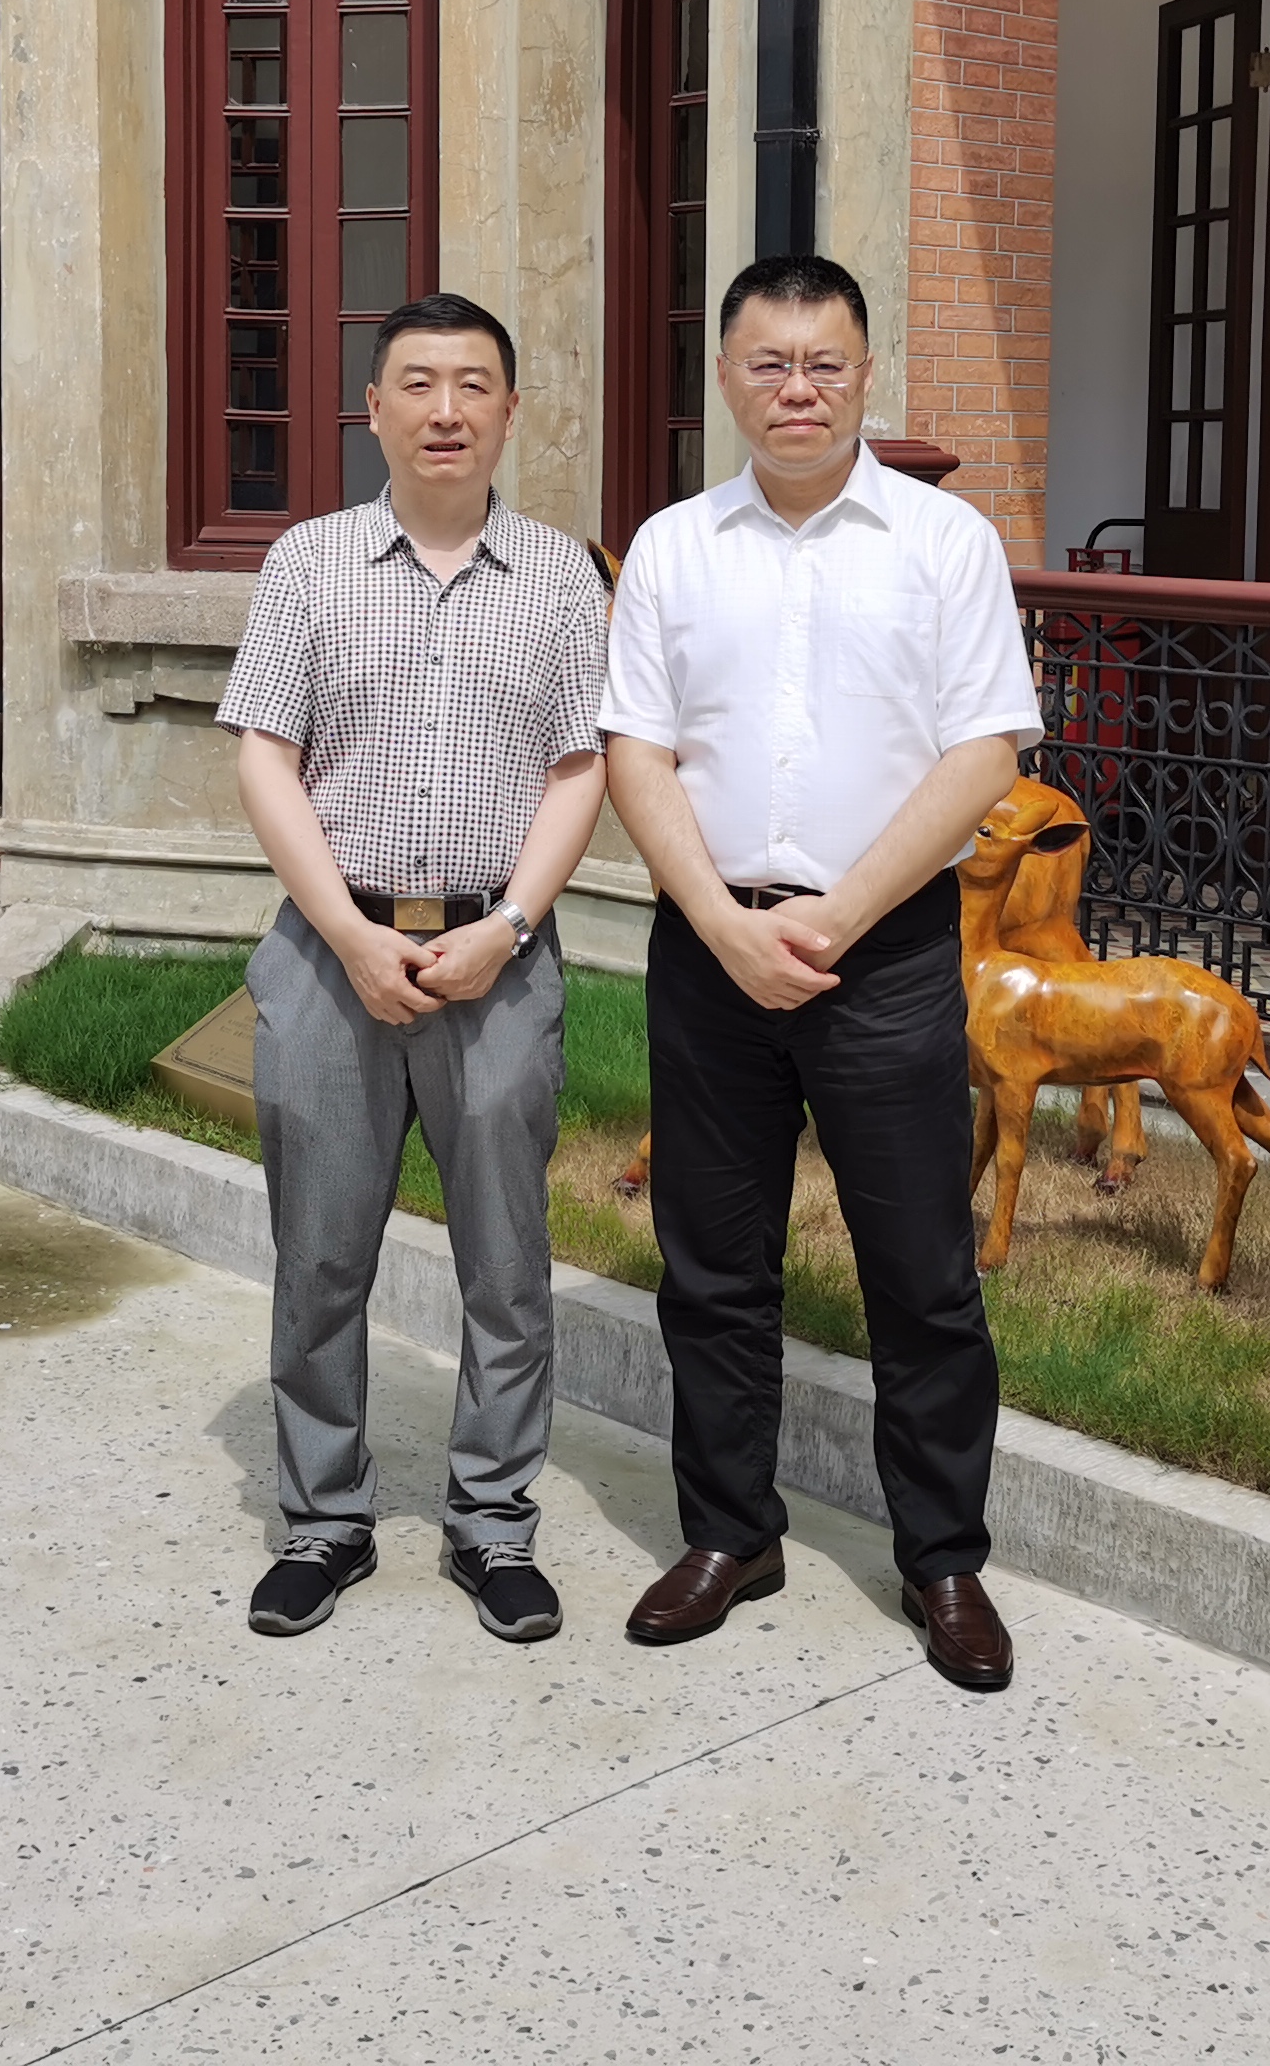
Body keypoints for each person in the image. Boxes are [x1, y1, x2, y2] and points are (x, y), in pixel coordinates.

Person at [598, 254, 1040, 1692]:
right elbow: (635, 749)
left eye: (825, 364)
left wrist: (837, 920)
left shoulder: (945, 543)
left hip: (887, 951)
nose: (799, 388)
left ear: (865, 374)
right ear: (727, 376)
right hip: (708, 947)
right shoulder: (674, 547)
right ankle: (732, 1534)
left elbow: (986, 750)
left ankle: (944, 1558)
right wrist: (724, 926)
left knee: (922, 1273)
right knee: (713, 1267)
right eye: (770, 363)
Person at [216, 293, 611, 1646]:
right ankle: (324, 1521)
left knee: (506, 1263)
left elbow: (579, 766)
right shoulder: (309, 565)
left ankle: (492, 1523)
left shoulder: (561, 577)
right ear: (373, 409)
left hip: (498, 954)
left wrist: (512, 924)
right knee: (320, 1257)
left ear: (511, 410)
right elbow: (265, 755)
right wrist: (346, 932)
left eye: (474, 384)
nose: (448, 410)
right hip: (332, 955)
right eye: (419, 383)